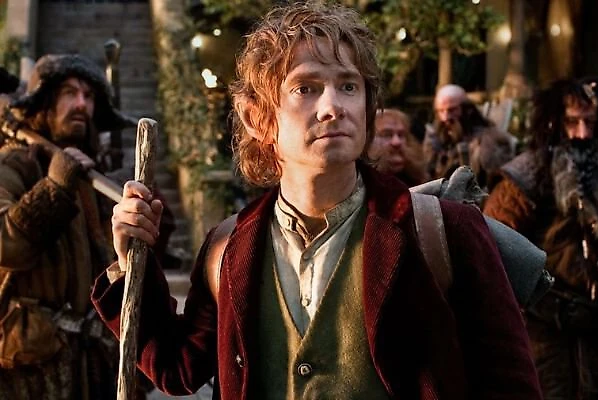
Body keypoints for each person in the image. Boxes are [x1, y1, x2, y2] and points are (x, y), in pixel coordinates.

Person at [91, 3, 543, 399]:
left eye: (348, 86)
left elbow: (511, 386)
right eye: (305, 88)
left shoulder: (442, 231)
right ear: (257, 117)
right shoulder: (228, 248)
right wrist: (131, 264)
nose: (333, 107)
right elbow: (178, 367)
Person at [484, 78, 598, 399]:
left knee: (587, 391)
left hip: (592, 316)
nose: (582, 134)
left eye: (590, 123)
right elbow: (494, 242)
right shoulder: (528, 173)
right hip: (542, 319)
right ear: (554, 123)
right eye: (572, 123)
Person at [0, 54, 172, 399]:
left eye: (88, 96)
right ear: (44, 103)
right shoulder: (13, 166)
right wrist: (54, 187)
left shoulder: (94, 178)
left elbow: (114, 266)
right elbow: (5, 245)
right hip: (30, 370)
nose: (81, 104)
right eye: (69, 93)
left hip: (91, 365)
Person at [423, 83, 514, 186]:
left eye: (452, 110)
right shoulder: (435, 138)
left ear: (467, 110)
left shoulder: (488, 139)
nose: (445, 117)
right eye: (441, 111)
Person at [369, 108, 428, 186]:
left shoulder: (419, 183)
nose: (397, 142)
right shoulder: (359, 186)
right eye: (387, 135)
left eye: (401, 135)